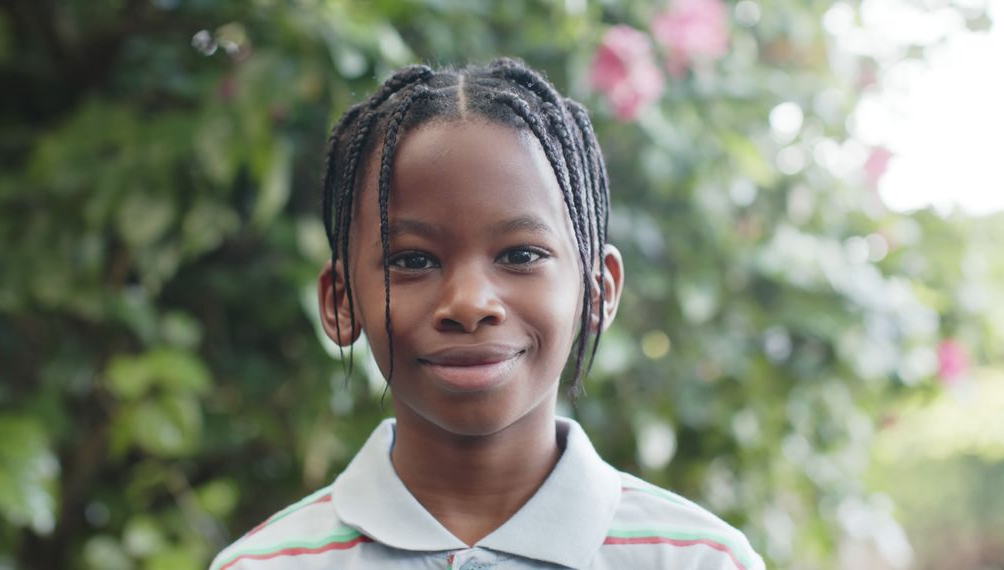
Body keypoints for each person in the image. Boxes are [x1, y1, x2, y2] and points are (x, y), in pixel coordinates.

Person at [209, 58, 765, 570]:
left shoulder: (698, 559)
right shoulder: (266, 564)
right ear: (340, 301)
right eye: (413, 260)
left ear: (598, 291)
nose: (470, 304)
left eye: (521, 255)